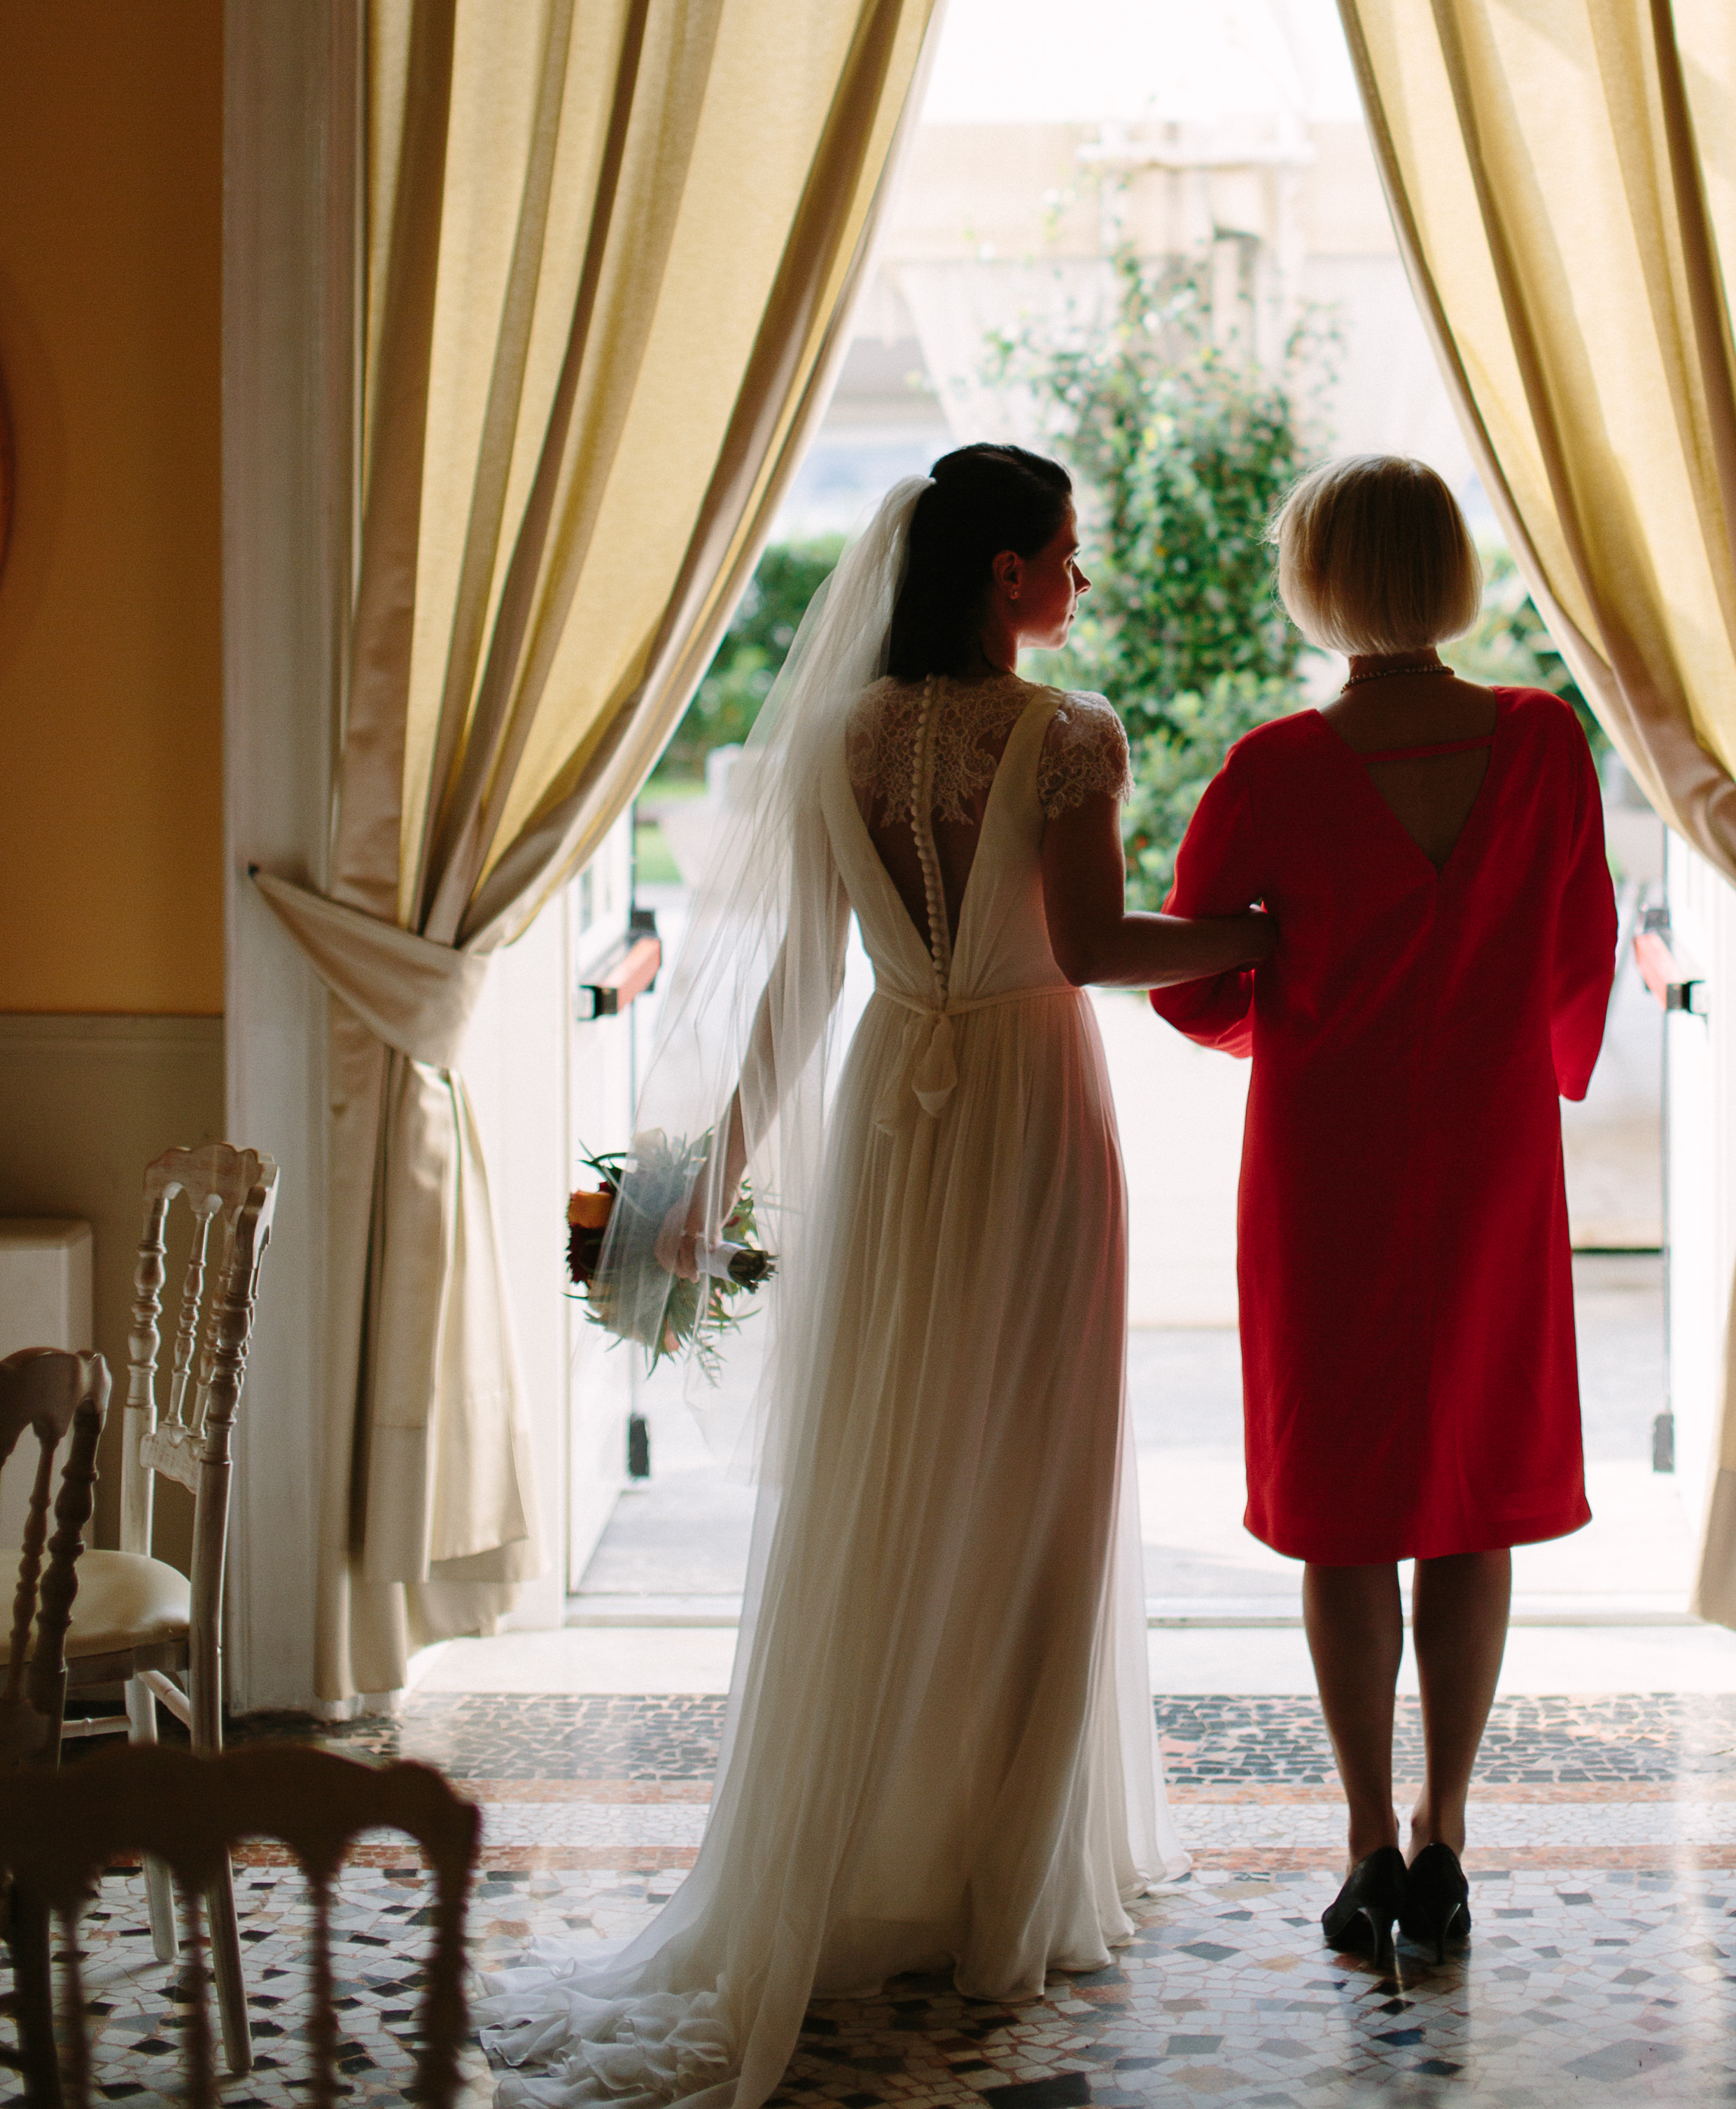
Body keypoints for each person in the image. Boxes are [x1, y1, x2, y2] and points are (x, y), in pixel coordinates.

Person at [489, 446, 1268, 2109]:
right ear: (1003, 572)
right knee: (1032, 1472)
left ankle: (879, 1848)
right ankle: (999, 1875)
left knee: (889, 1474)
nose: (1080, 571)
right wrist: (1263, 929)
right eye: (1065, 546)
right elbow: (1095, 952)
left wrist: (712, 1176)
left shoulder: (843, 734)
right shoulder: (1063, 735)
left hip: (891, 1123)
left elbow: (786, 985)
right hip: (1027, 1110)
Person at [1154, 455, 1617, 1968]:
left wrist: (1288, 1000)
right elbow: (1574, 959)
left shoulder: (1275, 767)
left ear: (1318, 576)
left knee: (1342, 1511)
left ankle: (1362, 1842)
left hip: (1325, 1164)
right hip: (1487, 1159)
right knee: (1469, 1501)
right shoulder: (1543, 743)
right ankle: (1445, 1834)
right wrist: (1517, 1048)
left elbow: (1195, 978)